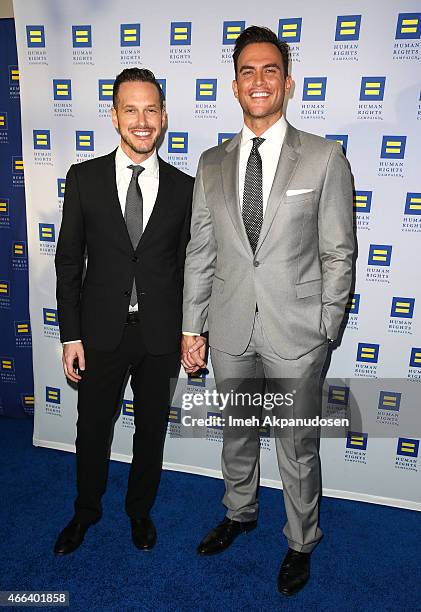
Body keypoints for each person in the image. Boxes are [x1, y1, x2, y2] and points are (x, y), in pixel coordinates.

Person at [181, 26, 354, 596]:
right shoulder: (211, 162)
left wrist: (325, 329)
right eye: (248, 72)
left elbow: (338, 251)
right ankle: (240, 513)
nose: (259, 81)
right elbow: (201, 250)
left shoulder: (326, 158)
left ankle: (301, 541)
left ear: (287, 82)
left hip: (297, 334)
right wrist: (193, 326)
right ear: (235, 87)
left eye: (270, 70)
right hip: (230, 329)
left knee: (297, 446)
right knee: (236, 433)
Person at [54, 68, 193, 555]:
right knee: (91, 429)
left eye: (151, 109)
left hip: (159, 336)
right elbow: (69, 261)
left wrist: (191, 331)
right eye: (130, 109)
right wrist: (71, 336)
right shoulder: (84, 177)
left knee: (151, 430)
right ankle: (86, 511)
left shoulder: (184, 187)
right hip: (98, 334)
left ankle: (140, 511)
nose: (142, 120)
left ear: (164, 117)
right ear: (114, 116)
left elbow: (190, 267)